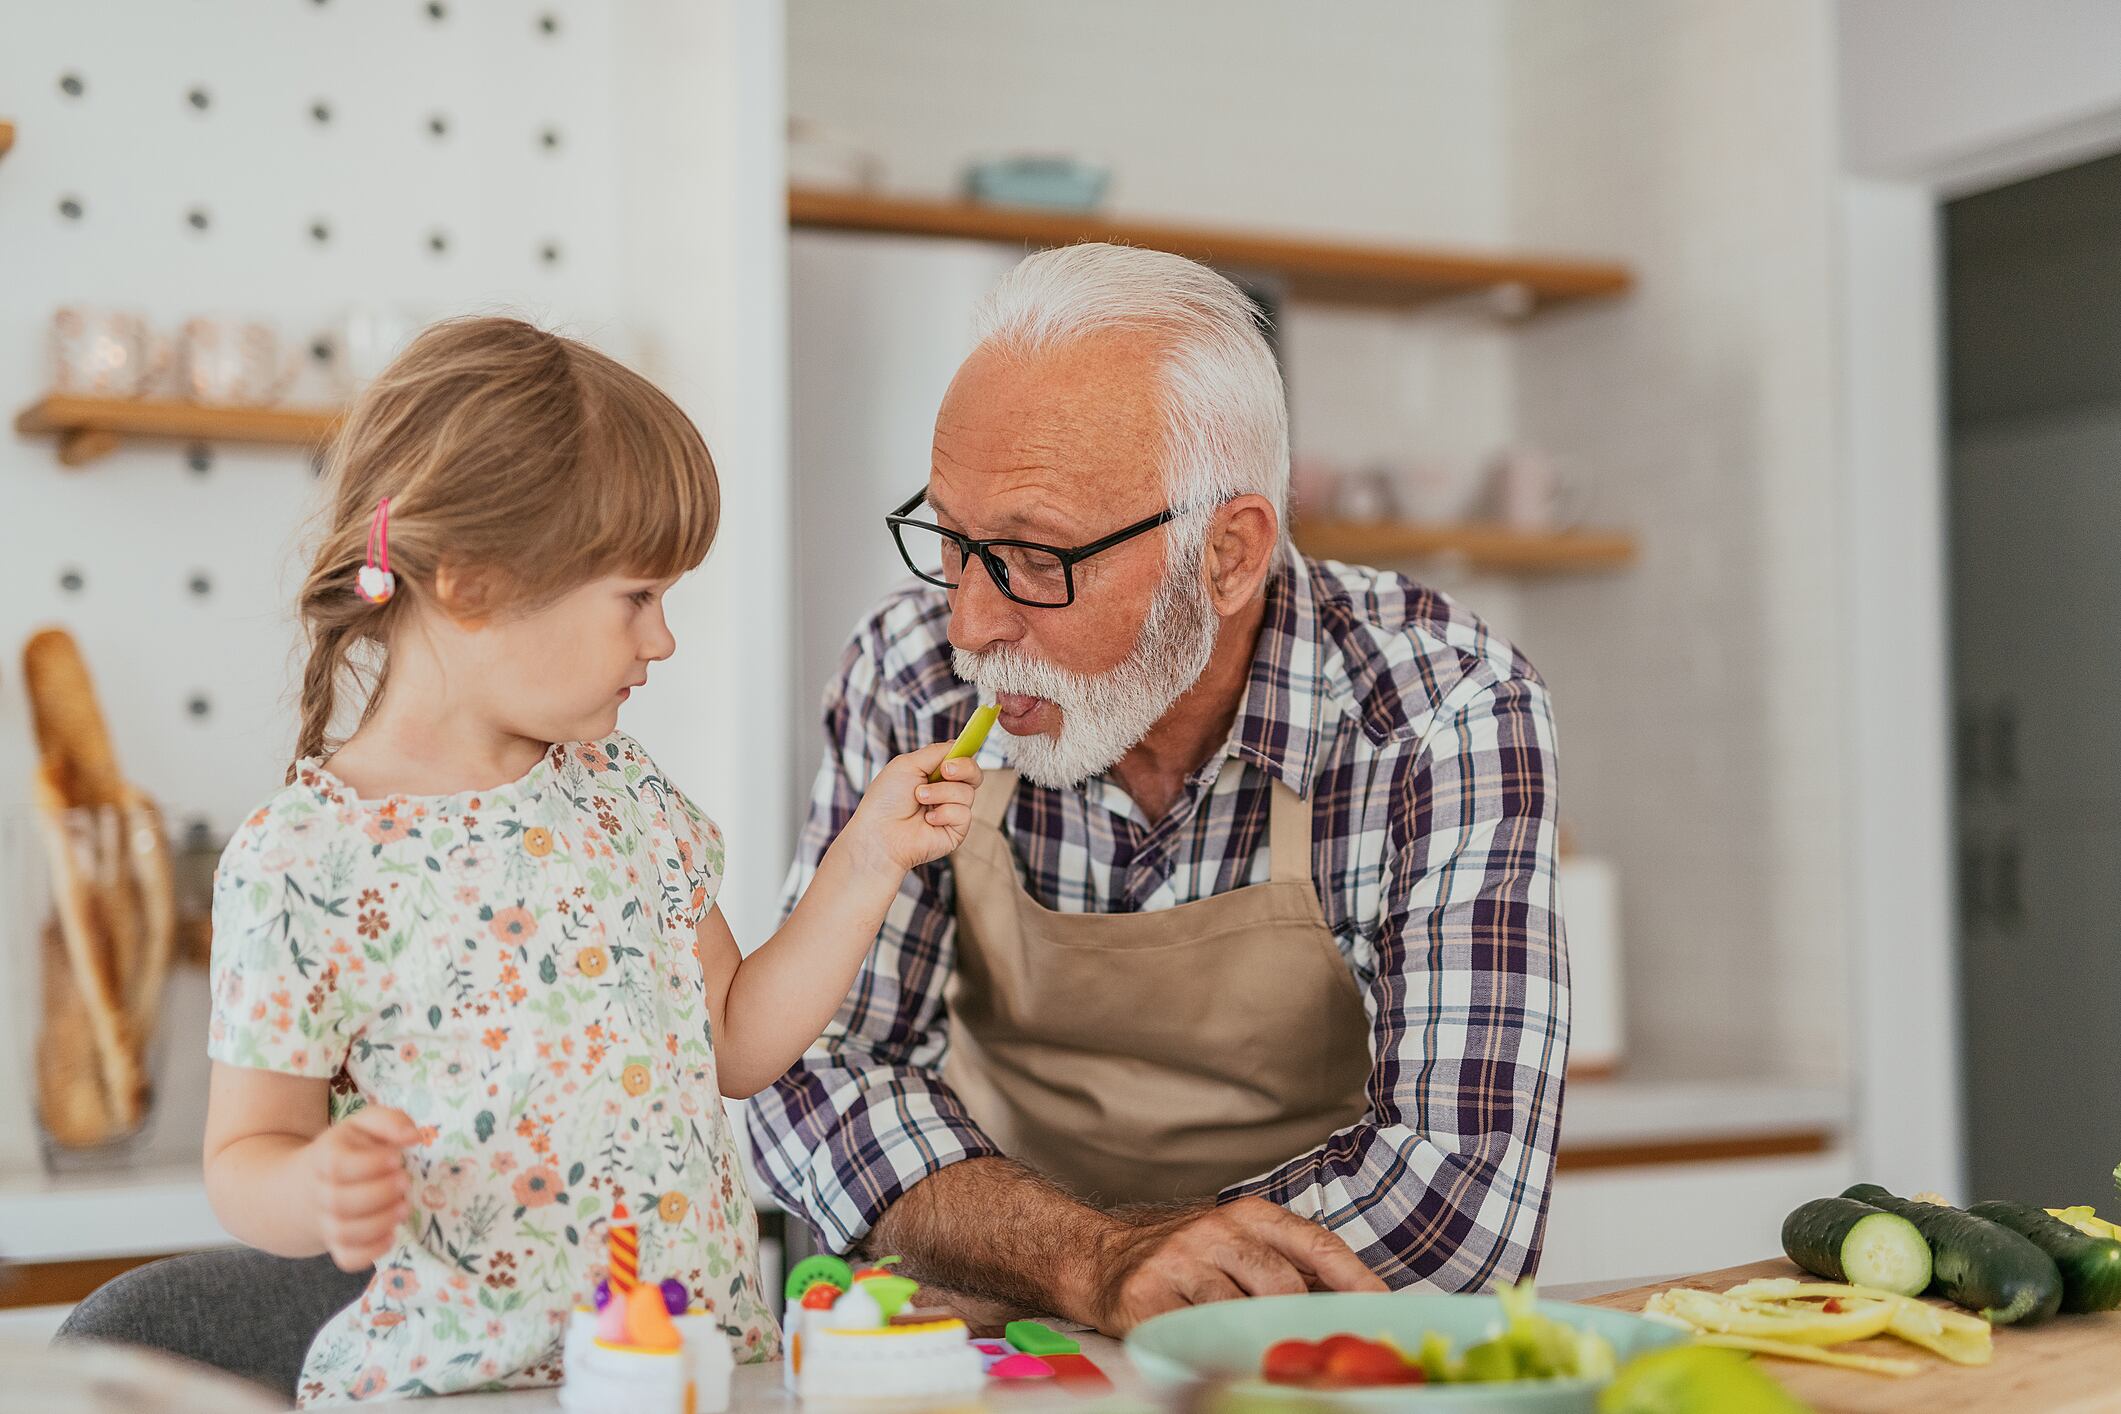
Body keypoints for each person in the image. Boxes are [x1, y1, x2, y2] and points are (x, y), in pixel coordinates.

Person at [747, 244, 1569, 1334]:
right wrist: (1089, 1261)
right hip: (1015, 1336)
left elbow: (1460, 1197)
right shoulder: (910, 673)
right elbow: (817, 1070)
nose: (970, 625)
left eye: (1038, 558)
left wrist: (1132, 1270)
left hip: (1303, 1362)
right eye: (950, 542)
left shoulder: (1444, 712)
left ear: (1227, 555)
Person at [200, 317, 981, 1405]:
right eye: (636, 597)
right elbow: (244, 1154)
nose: (662, 640)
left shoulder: (622, 790)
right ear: (470, 583)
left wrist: (869, 858)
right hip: (462, 1389)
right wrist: (312, 1186)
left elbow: (739, 1042)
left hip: (692, 1374)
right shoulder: (303, 858)